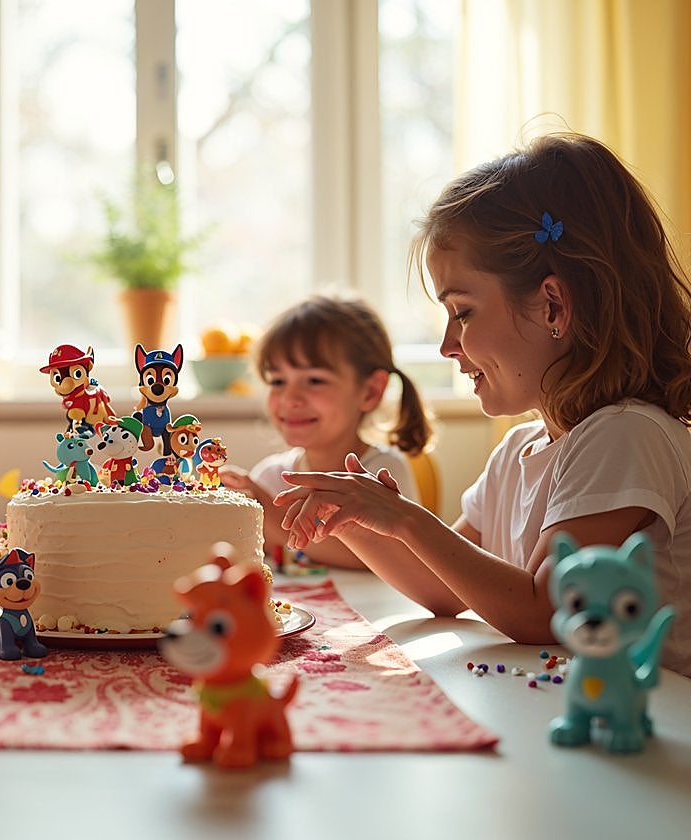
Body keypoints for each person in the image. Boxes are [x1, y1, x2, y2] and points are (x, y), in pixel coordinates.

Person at [276, 132, 691, 676]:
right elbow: (444, 588)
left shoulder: (625, 435)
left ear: (552, 304)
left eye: (463, 312)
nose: (449, 345)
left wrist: (403, 517)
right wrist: (352, 516)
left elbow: (544, 611)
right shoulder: (519, 450)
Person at [220, 294, 431, 569]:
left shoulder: (382, 474)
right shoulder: (270, 477)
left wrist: (269, 513)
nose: (290, 398)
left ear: (370, 391)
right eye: (278, 381)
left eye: (315, 380)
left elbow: (392, 560)